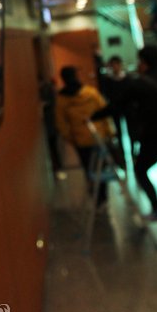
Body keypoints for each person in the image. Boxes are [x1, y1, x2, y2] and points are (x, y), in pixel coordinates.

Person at [92, 45, 157, 220]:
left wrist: (93, 116)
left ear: (144, 62)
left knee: (141, 170)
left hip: (154, 135)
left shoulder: (140, 84)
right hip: (155, 134)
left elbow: (116, 105)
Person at [55, 66, 115, 207]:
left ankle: (96, 197)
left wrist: (69, 137)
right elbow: (104, 112)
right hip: (98, 136)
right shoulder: (91, 93)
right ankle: (103, 196)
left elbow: (61, 122)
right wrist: (110, 132)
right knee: (101, 167)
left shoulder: (61, 99)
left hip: (80, 139)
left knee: (89, 167)